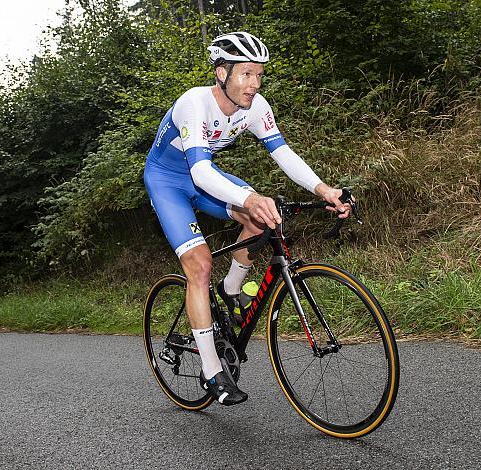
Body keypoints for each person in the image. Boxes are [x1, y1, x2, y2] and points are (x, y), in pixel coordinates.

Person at [143, 32, 350, 406]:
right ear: (222, 73)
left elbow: (282, 153)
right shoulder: (194, 103)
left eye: (259, 75)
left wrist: (323, 190)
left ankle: (231, 290)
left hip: (205, 174)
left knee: (263, 219)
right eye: (247, 74)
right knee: (200, 265)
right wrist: (248, 197)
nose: (255, 84)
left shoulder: (255, 106)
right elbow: (202, 172)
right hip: (169, 181)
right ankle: (212, 372)